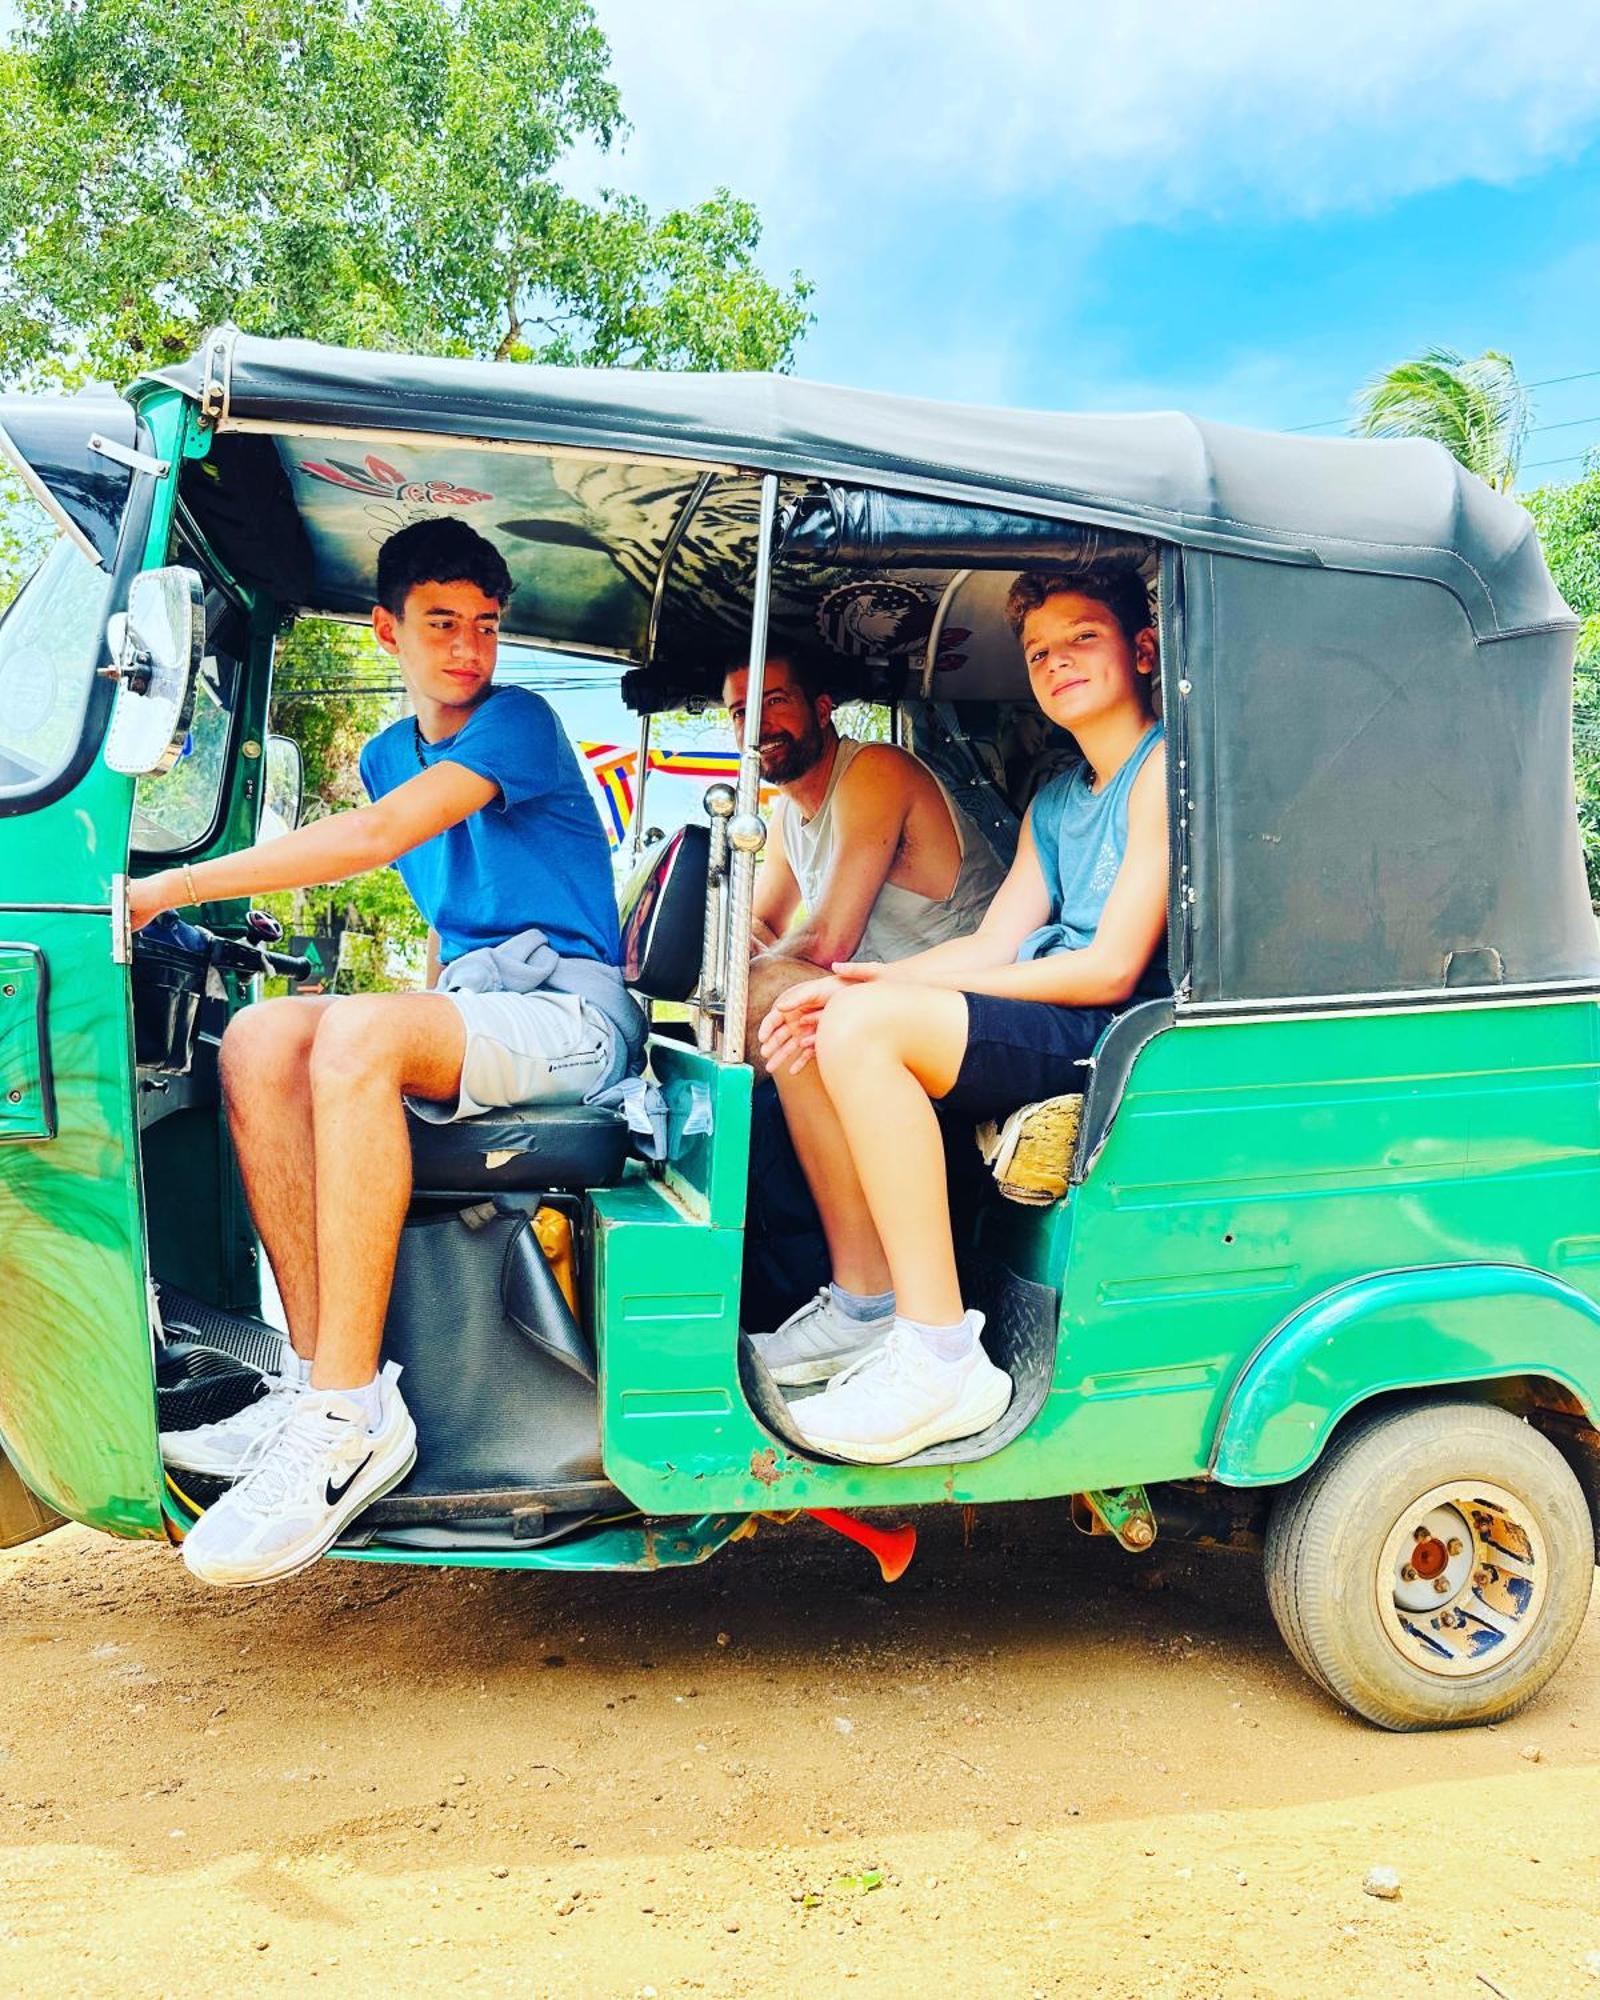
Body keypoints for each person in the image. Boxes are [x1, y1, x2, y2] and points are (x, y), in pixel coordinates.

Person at [131, 517, 643, 1586]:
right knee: (264, 1036)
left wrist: (164, 889)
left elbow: (372, 844)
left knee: (356, 1035)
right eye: (442, 624)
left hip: (575, 1017)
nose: (467, 648)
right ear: (386, 630)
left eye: (485, 626)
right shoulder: (381, 751)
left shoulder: (520, 723)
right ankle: (321, 1385)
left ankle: (355, 1414)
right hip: (481, 1009)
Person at [753, 567, 1168, 1463]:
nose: (1058, 662)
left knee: (862, 1027)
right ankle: (865, 1305)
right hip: (1051, 1011)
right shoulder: (1058, 799)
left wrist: (888, 1003)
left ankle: (943, 1355)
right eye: (1040, 651)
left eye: (1082, 639)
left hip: (1120, 1035)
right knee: (808, 1022)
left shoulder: (1164, 767)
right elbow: (991, 943)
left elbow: (1108, 968)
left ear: (1141, 651)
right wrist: (858, 982)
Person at [722, 653, 1006, 1332]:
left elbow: (826, 942)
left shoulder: (874, 769)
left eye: (776, 701)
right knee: (745, 1016)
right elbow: (757, 926)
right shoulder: (789, 814)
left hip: (963, 1015)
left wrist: (745, 983)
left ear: (822, 709)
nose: (757, 723)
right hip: (881, 1013)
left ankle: (868, 1302)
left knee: (779, 1003)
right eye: (739, 713)